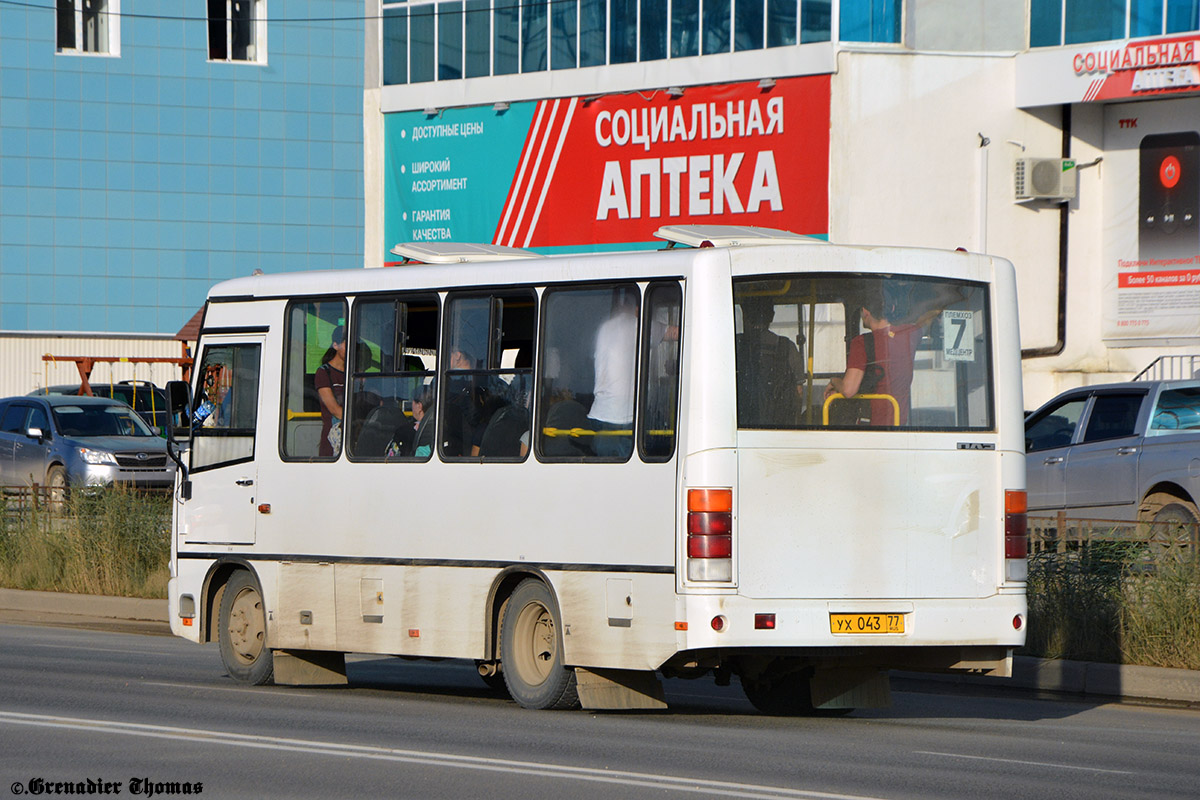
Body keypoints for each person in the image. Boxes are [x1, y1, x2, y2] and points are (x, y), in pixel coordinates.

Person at [825, 284, 963, 426]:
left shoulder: (861, 343)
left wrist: (833, 381)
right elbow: (928, 316)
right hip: (900, 424)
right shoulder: (910, 334)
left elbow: (848, 390)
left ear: (865, 312)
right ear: (890, 309)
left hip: (872, 427)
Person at [735, 296, 804, 427]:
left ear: (745, 315)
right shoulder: (787, 347)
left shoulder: (734, 345)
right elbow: (799, 392)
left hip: (741, 425)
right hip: (779, 426)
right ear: (771, 316)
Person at [315, 325, 347, 456]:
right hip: (333, 442)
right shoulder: (323, 373)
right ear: (335, 345)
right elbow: (334, 409)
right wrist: (358, 421)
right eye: (347, 344)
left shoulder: (354, 373)